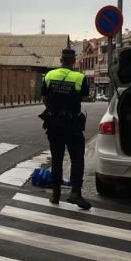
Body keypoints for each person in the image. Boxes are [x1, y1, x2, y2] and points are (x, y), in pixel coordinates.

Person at [40, 48, 92, 210]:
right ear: (74, 61)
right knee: (77, 158)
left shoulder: (49, 76)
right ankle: (75, 193)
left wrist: (54, 109)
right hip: (73, 125)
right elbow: (84, 96)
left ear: (61, 60)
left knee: (57, 158)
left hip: (54, 123)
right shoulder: (80, 77)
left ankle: (55, 194)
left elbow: (44, 98)